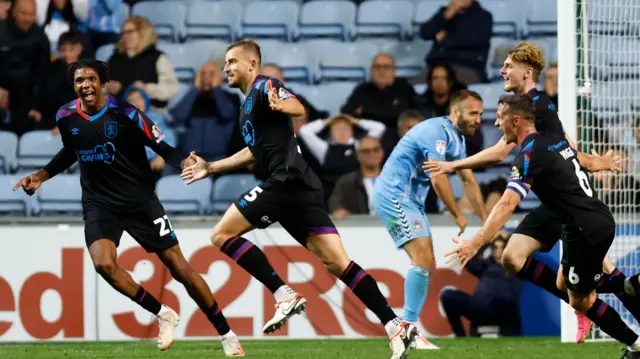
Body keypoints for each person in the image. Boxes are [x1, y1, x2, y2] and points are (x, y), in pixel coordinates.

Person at [180, 40, 418, 359]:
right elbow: (254, 152)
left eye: (232, 61)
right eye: (225, 63)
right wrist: (212, 166)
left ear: (252, 65)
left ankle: (284, 294)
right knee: (337, 262)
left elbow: (296, 107)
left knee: (221, 234)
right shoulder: (247, 105)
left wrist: (284, 105)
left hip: (285, 181)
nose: (226, 68)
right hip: (302, 186)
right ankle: (394, 325)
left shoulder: (266, 86)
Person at [12, 60, 244, 357]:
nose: (85, 85)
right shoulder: (65, 115)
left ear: (102, 82)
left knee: (180, 268)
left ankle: (226, 333)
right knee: (103, 264)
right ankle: (163, 313)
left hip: (140, 202)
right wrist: (41, 176)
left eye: (91, 79)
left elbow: (163, 147)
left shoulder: (127, 114)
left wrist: (187, 161)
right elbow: (72, 149)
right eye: (79, 80)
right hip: (99, 203)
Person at [423, 41, 636, 343]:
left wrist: (453, 166)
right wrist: (453, 165)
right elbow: (557, 149)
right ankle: (589, 297)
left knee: (601, 272)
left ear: (526, 70)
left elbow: (547, 151)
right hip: (555, 202)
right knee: (512, 257)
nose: (502, 70)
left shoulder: (536, 106)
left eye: (508, 65)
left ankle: (610, 300)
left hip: (569, 203)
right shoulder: (522, 107)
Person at [446, 94, 640, 358]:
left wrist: (475, 243)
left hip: (583, 227)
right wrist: (599, 163)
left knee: (580, 299)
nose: (496, 124)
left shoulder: (528, 155)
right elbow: (578, 160)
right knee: (561, 282)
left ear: (516, 120)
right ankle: (628, 287)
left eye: (500, 118)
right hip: (590, 219)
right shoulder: (553, 139)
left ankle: (635, 343)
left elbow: (506, 205)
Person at [373, 90, 488, 350]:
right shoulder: (434, 131)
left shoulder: (457, 140)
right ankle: (406, 330)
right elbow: (438, 177)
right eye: (473, 113)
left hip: (411, 201)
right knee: (423, 259)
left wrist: (485, 221)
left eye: (480, 114)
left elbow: (468, 179)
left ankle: (408, 330)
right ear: (455, 111)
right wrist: (457, 214)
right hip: (395, 194)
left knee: (427, 263)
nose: (478, 119)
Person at [441, 236, 522, 337]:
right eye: (495, 248)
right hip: (480, 307)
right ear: (491, 250)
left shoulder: (515, 267)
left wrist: (508, 237)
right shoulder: (485, 266)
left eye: (502, 248)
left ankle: (512, 335)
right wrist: (488, 239)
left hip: (504, 309)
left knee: (509, 302)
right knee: (448, 296)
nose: (499, 251)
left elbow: (525, 249)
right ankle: (460, 336)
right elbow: (468, 259)